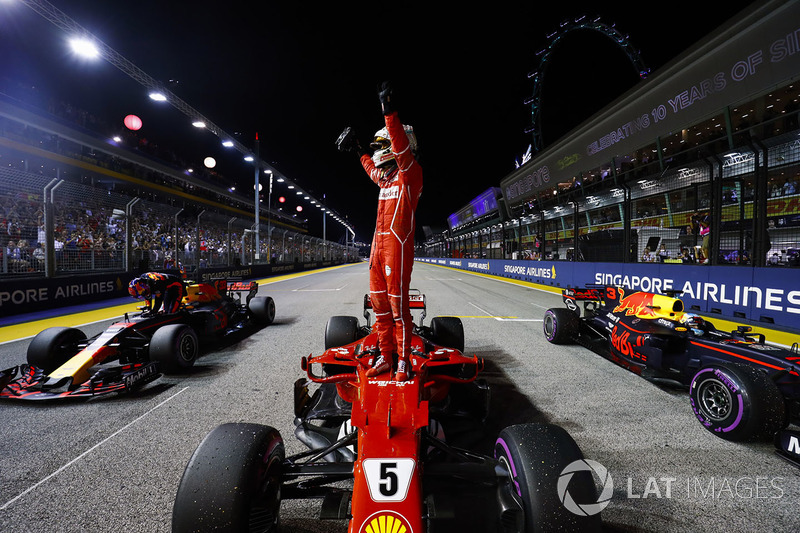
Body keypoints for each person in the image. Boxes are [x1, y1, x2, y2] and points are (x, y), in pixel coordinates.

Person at [337, 81, 423, 382]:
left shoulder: (409, 174)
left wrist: (389, 111)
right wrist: (359, 149)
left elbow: (399, 147)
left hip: (397, 247)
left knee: (399, 309)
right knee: (380, 308)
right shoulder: (386, 180)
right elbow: (369, 168)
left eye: (380, 146)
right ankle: (386, 357)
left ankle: (403, 361)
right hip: (377, 248)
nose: (379, 152)